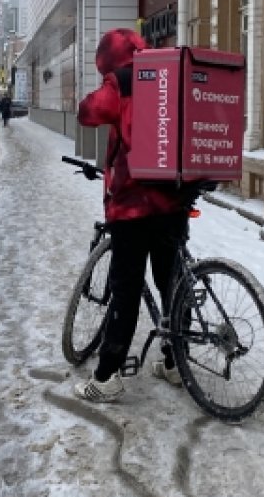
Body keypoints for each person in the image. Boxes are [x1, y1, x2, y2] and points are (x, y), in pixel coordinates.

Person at [72, 28, 187, 403]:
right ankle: (174, 362)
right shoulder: (168, 74)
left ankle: (106, 377)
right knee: (171, 283)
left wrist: (107, 81)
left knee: (125, 290)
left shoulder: (123, 79)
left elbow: (87, 113)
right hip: (173, 198)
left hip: (133, 206)